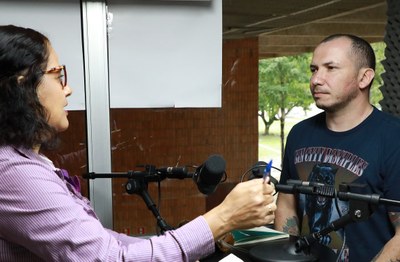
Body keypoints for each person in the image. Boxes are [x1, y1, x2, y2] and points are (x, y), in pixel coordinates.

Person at [0, 24, 277, 261]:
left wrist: (200, 236)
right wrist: (223, 218)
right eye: (58, 75)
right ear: (22, 85)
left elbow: (107, 243)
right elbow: (111, 258)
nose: (68, 88)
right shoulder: (14, 173)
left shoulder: (23, 161)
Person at [274, 33, 400, 261]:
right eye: (314, 69)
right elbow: (286, 202)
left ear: (364, 78)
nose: (316, 80)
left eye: (331, 68)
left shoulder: (393, 138)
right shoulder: (299, 133)